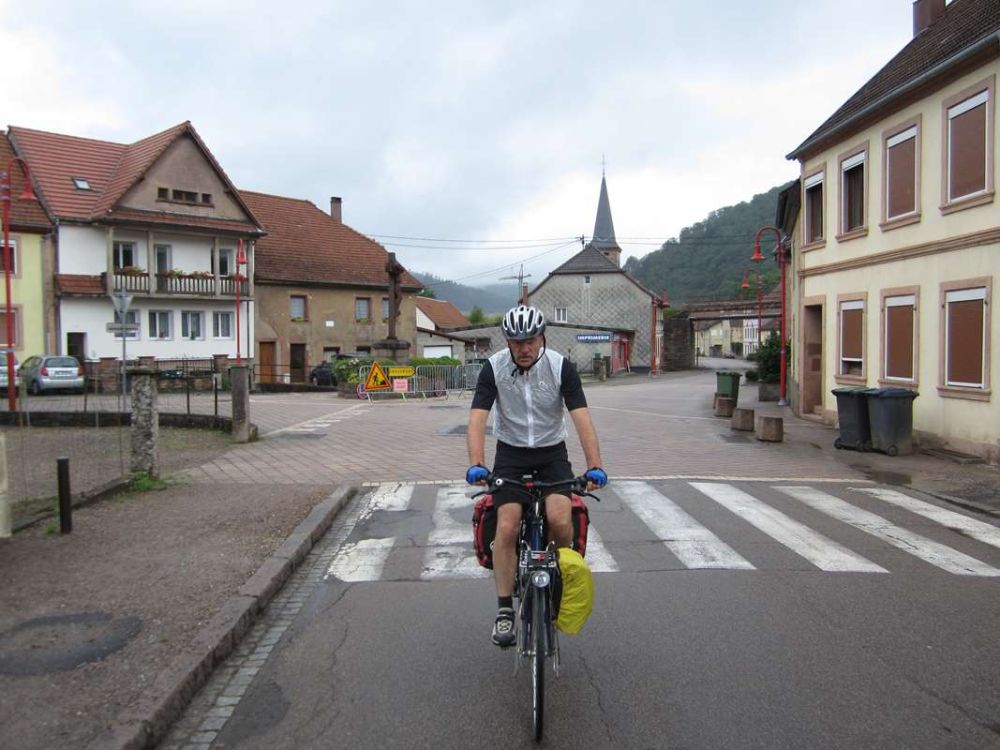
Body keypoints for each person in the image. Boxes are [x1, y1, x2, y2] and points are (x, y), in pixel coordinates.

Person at [465, 304, 608, 647]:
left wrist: (595, 466)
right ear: (507, 342)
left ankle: (557, 582)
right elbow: (477, 418)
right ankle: (504, 610)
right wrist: (476, 463)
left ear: (542, 337)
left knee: (560, 519)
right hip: (511, 455)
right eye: (517, 342)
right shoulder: (494, 368)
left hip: (551, 453)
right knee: (507, 525)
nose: (524, 348)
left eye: (530, 340)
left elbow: (582, 418)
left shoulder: (560, 367)